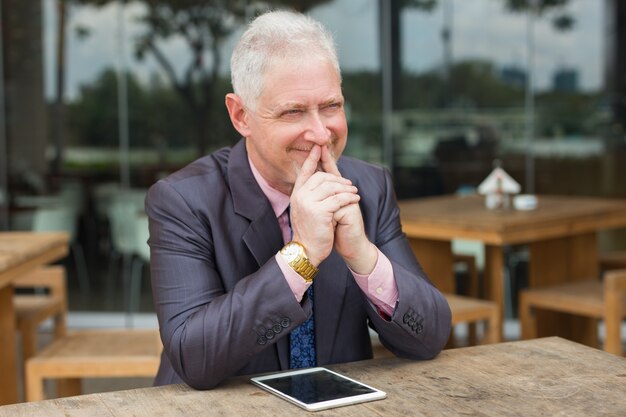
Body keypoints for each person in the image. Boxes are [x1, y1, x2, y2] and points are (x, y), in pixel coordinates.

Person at [145, 9, 451, 390]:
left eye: (331, 106)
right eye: (294, 112)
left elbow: (431, 336)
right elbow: (194, 356)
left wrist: (362, 255)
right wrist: (301, 255)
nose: (321, 133)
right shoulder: (183, 200)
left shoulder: (368, 187)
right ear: (241, 115)